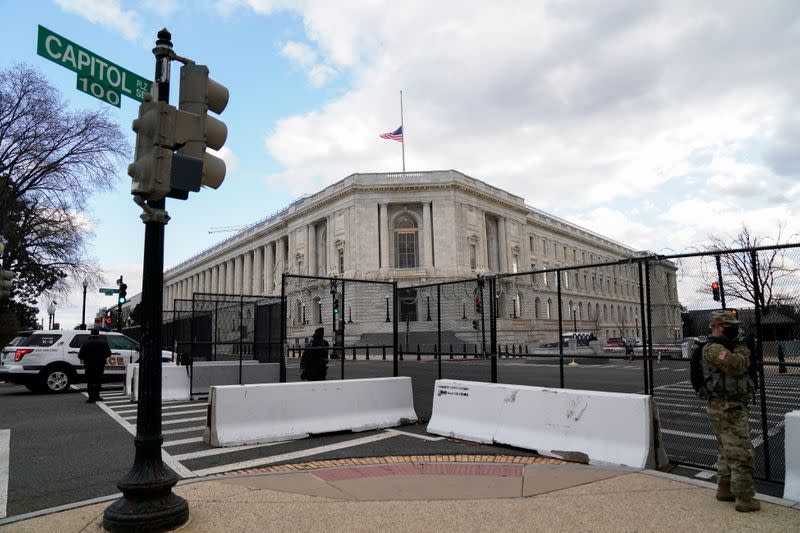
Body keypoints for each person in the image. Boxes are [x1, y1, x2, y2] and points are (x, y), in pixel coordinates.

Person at [701, 310, 759, 512]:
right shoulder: (715, 349)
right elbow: (735, 366)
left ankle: (724, 489)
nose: (734, 329)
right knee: (741, 453)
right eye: (729, 325)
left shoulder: (726, 346)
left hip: (726, 406)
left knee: (727, 451)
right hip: (727, 407)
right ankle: (745, 499)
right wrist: (744, 349)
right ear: (717, 326)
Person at [79, 329, 111, 403]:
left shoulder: (85, 343)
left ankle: (91, 398)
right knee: (98, 380)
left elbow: (80, 355)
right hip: (100, 364)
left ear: (91, 334)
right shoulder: (103, 342)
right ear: (98, 334)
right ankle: (97, 396)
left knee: (90, 381)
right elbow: (109, 354)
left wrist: (87, 358)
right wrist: (102, 357)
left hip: (89, 364)